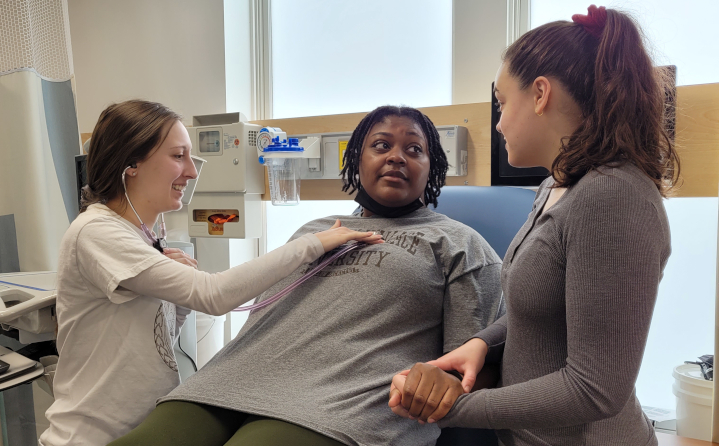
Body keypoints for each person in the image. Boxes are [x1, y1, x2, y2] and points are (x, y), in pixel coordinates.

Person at [107, 105, 504, 446]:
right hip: (231, 380)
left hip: (344, 400)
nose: (397, 156)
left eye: (414, 149)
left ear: (432, 167)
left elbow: (473, 361)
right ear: (356, 160)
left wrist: (443, 382)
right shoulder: (314, 230)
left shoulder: (458, 243)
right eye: (381, 145)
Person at [389, 5, 680, 446]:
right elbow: (544, 312)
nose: (500, 121)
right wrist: (482, 343)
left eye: (503, 103)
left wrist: (452, 409)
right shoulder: (554, 186)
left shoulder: (613, 197)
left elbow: (594, 389)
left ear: (541, 93)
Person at [38, 100, 383, 446]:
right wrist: (313, 243)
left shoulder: (143, 233)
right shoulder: (97, 232)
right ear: (131, 163)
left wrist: (179, 302)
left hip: (146, 429)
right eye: (178, 156)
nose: (191, 171)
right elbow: (214, 294)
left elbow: (155, 343)